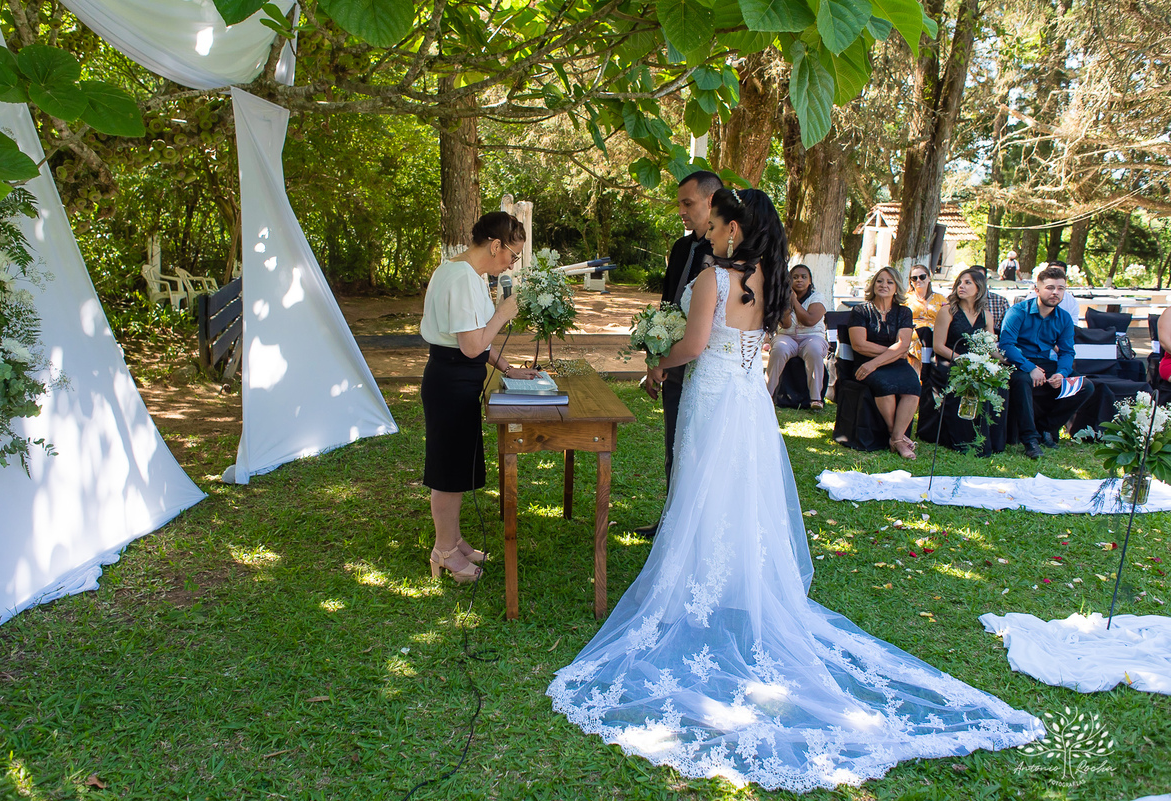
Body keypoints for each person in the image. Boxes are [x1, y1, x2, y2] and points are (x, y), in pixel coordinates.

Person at [547, 187, 1042, 793]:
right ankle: (737, 587)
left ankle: (698, 590)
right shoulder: (770, 281)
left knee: (703, 490)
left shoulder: (715, 279)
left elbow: (698, 345)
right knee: (738, 494)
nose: (705, 230)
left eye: (715, 222)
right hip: (749, 403)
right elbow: (765, 337)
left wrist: (659, 356)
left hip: (711, 396)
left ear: (732, 226)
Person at [419, 211, 540, 582]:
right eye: (512, 255)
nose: (511, 263)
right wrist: (504, 312)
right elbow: (472, 345)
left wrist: (508, 369)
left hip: (457, 378)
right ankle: (443, 552)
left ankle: (454, 541)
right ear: (494, 245)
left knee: (457, 465)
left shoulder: (458, 271)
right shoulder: (462, 279)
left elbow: (475, 338)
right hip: (451, 380)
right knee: (447, 471)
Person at [634, 170, 722, 538]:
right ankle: (672, 521)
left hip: (709, 361)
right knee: (675, 443)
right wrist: (655, 356)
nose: (682, 211)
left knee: (705, 446)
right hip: (671, 357)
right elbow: (668, 303)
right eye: (679, 204)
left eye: (688, 203)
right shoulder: (681, 247)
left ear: (711, 202)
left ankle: (702, 528)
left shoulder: (724, 254)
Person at [999, 265, 1094, 459]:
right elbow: (1007, 345)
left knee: (1085, 386)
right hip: (1018, 361)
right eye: (1050, 287)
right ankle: (1030, 439)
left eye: (1060, 288)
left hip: (1046, 363)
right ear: (1037, 290)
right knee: (1022, 380)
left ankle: (1047, 428)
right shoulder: (1018, 312)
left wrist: (1062, 373)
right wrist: (1030, 367)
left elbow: (1067, 351)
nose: (1055, 293)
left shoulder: (1064, 318)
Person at [920, 269, 998, 453]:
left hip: (976, 362)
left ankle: (983, 437)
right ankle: (958, 437)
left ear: (979, 288)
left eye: (968, 282)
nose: (961, 286)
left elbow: (991, 347)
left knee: (994, 381)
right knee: (961, 379)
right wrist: (962, 359)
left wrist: (1003, 362)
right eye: (960, 282)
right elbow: (938, 346)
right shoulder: (948, 311)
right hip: (948, 360)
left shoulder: (986, 315)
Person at [849, 267, 923, 459]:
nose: (884, 285)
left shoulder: (904, 312)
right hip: (865, 362)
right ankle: (898, 437)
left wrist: (881, 360)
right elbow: (859, 345)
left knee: (913, 387)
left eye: (890, 282)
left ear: (897, 287)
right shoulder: (860, 310)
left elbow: (903, 344)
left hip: (889, 364)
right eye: (880, 281)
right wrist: (893, 353)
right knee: (885, 386)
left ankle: (896, 438)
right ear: (873, 285)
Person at [766, 264, 827, 409]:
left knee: (814, 349)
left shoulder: (817, 297)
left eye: (803, 277)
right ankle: (767, 394)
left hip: (812, 337)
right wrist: (787, 301)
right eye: (795, 277)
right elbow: (786, 324)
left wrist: (795, 301)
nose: (799, 280)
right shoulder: (782, 297)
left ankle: (816, 399)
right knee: (779, 348)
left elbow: (809, 320)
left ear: (810, 281)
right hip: (786, 336)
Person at [904, 263, 946, 375]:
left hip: (935, 334)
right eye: (914, 278)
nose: (918, 280)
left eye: (922, 277)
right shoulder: (905, 298)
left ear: (928, 278)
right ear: (911, 281)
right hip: (913, 335)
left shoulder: (940, 298)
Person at [969, 264, 1010, 335]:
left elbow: (1008, 327)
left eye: (979, 278)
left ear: (986, 280)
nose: (976, 282)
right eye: (972, 279)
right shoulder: (960, 301)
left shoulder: (1000, 301)